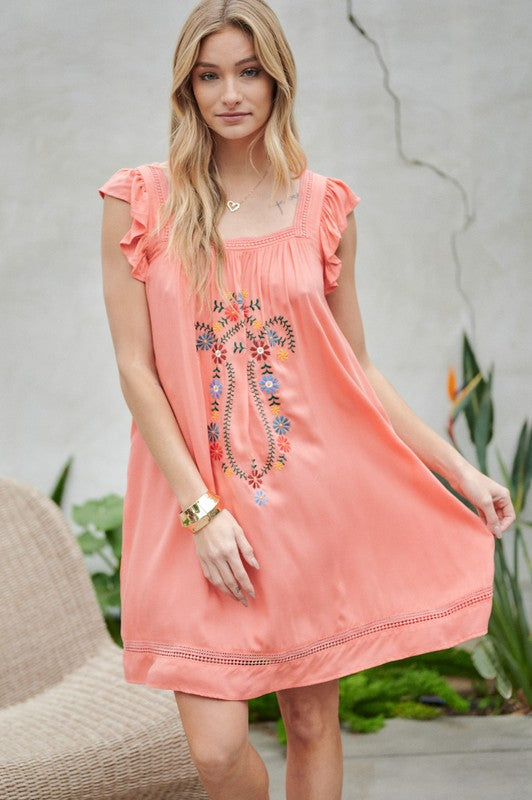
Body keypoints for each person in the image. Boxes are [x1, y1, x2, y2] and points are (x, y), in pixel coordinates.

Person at [98, 1, 516, 798]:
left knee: (313, 725)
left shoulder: (324, 206)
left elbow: (358, 369)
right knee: (218, 752)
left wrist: (463, 473)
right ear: (186, 86)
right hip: (194, 516)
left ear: (278, 78)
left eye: (248, 71)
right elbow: (135, 369)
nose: (230, 92)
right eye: (210, 73)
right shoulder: (142, 201)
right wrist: (201, 510)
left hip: (307, 510)